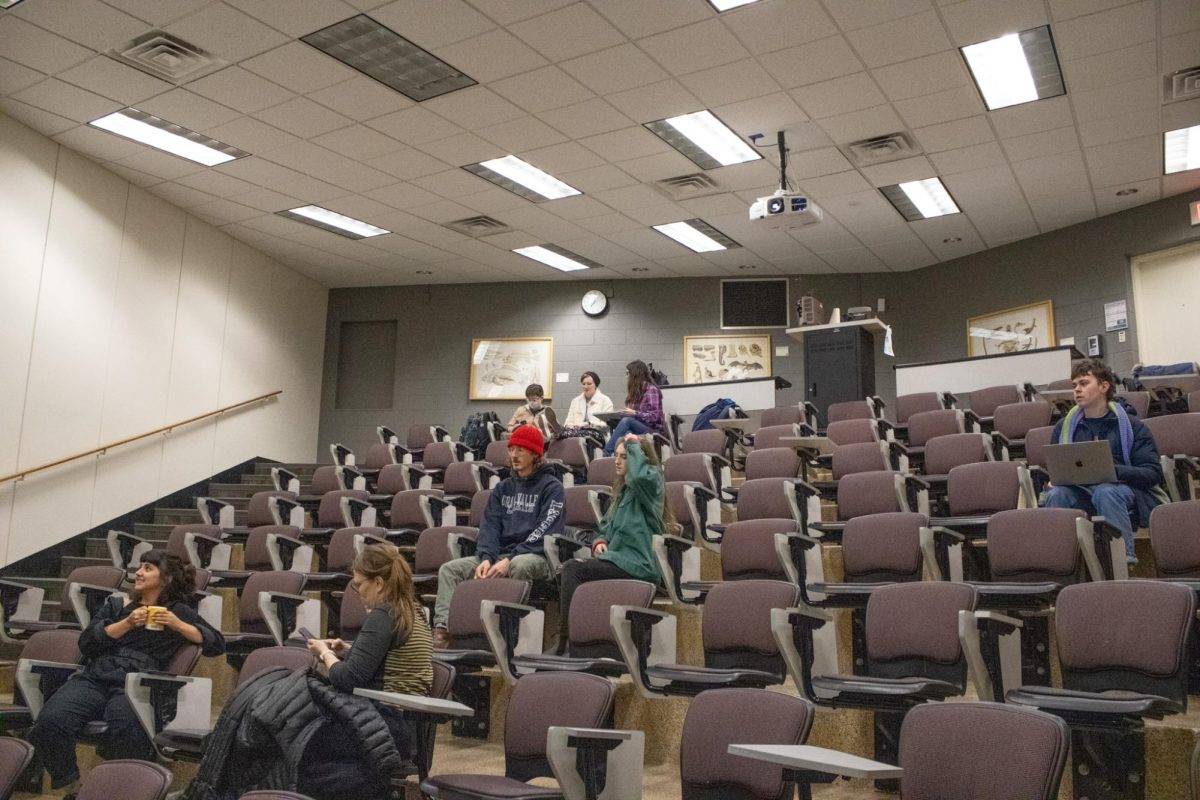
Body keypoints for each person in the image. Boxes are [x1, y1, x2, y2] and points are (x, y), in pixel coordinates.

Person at [29, 550, 225, 795]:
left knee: (126, 728)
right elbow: (87, 643)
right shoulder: (115, 605)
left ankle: (121, 790)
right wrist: (128, 623)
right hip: (96, 676)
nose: (139, 572)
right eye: (140, 566)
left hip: (137, 683)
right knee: (49, 722)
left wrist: (177, 624)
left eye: (148, 568)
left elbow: (216, 644)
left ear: (166, 579)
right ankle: (73, 788)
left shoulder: (177, 611)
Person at [300, 544, 433, 798]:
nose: (357, 591)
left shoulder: (385, 613)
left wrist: (324, 652)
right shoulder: (413, 611)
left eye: (360, 584)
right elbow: (393, 658)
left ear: (379, 583)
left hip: (384, 725)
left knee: (297, 733)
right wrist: (350, 649)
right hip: (404, 726)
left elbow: (347, 679)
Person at [431, 424, 563, 648]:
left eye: (521, 450)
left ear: (535, 454)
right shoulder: (503, 488)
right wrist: (486, 558)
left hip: (536, 557)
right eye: (512, 449)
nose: (514, 455)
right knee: (449, 570)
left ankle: (505, 632)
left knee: (518, 566)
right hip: (498, 556)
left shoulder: (552, 487)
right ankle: (444, 631)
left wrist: (508, 560)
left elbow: (545, 531)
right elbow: (489, 526)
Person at [1043, 358, 1166, 564]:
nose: (1077, 390)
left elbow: (1153, 473)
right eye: (1074, 386)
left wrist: (1113, 471)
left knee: (1106, 491)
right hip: (1080, 490)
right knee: (1057, 494)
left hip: (1125, 491)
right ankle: (1059, 562)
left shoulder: (1133, 425)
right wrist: (1055, 480)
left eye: (1083, 383)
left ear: (1104, 386)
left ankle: (1123, 561)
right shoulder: (1063, 427)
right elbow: (1058, 468)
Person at [554, 433, 669, 653]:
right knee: (568, 570)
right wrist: (599, 542)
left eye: (624, 456)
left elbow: (637, 478)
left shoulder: (652, 481)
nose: (616, 461)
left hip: (638, 564)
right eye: (616, 455)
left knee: (573, 569)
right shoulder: (622, 494)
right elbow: (604, 528)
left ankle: (566, 642)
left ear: (640, 459)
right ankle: (579, 642)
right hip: (617, 561)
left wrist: (634, 444)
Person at [603, 360, 664, 456]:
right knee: (627, 432)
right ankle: (622, 460)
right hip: (638, 427)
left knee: (627, 421)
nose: (626, 376)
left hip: (651, 429)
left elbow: (655, 417)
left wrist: (635, 413)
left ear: (635, 374)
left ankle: (606, 453)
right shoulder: (635, 392)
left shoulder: (651, 390)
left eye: (628, 373)